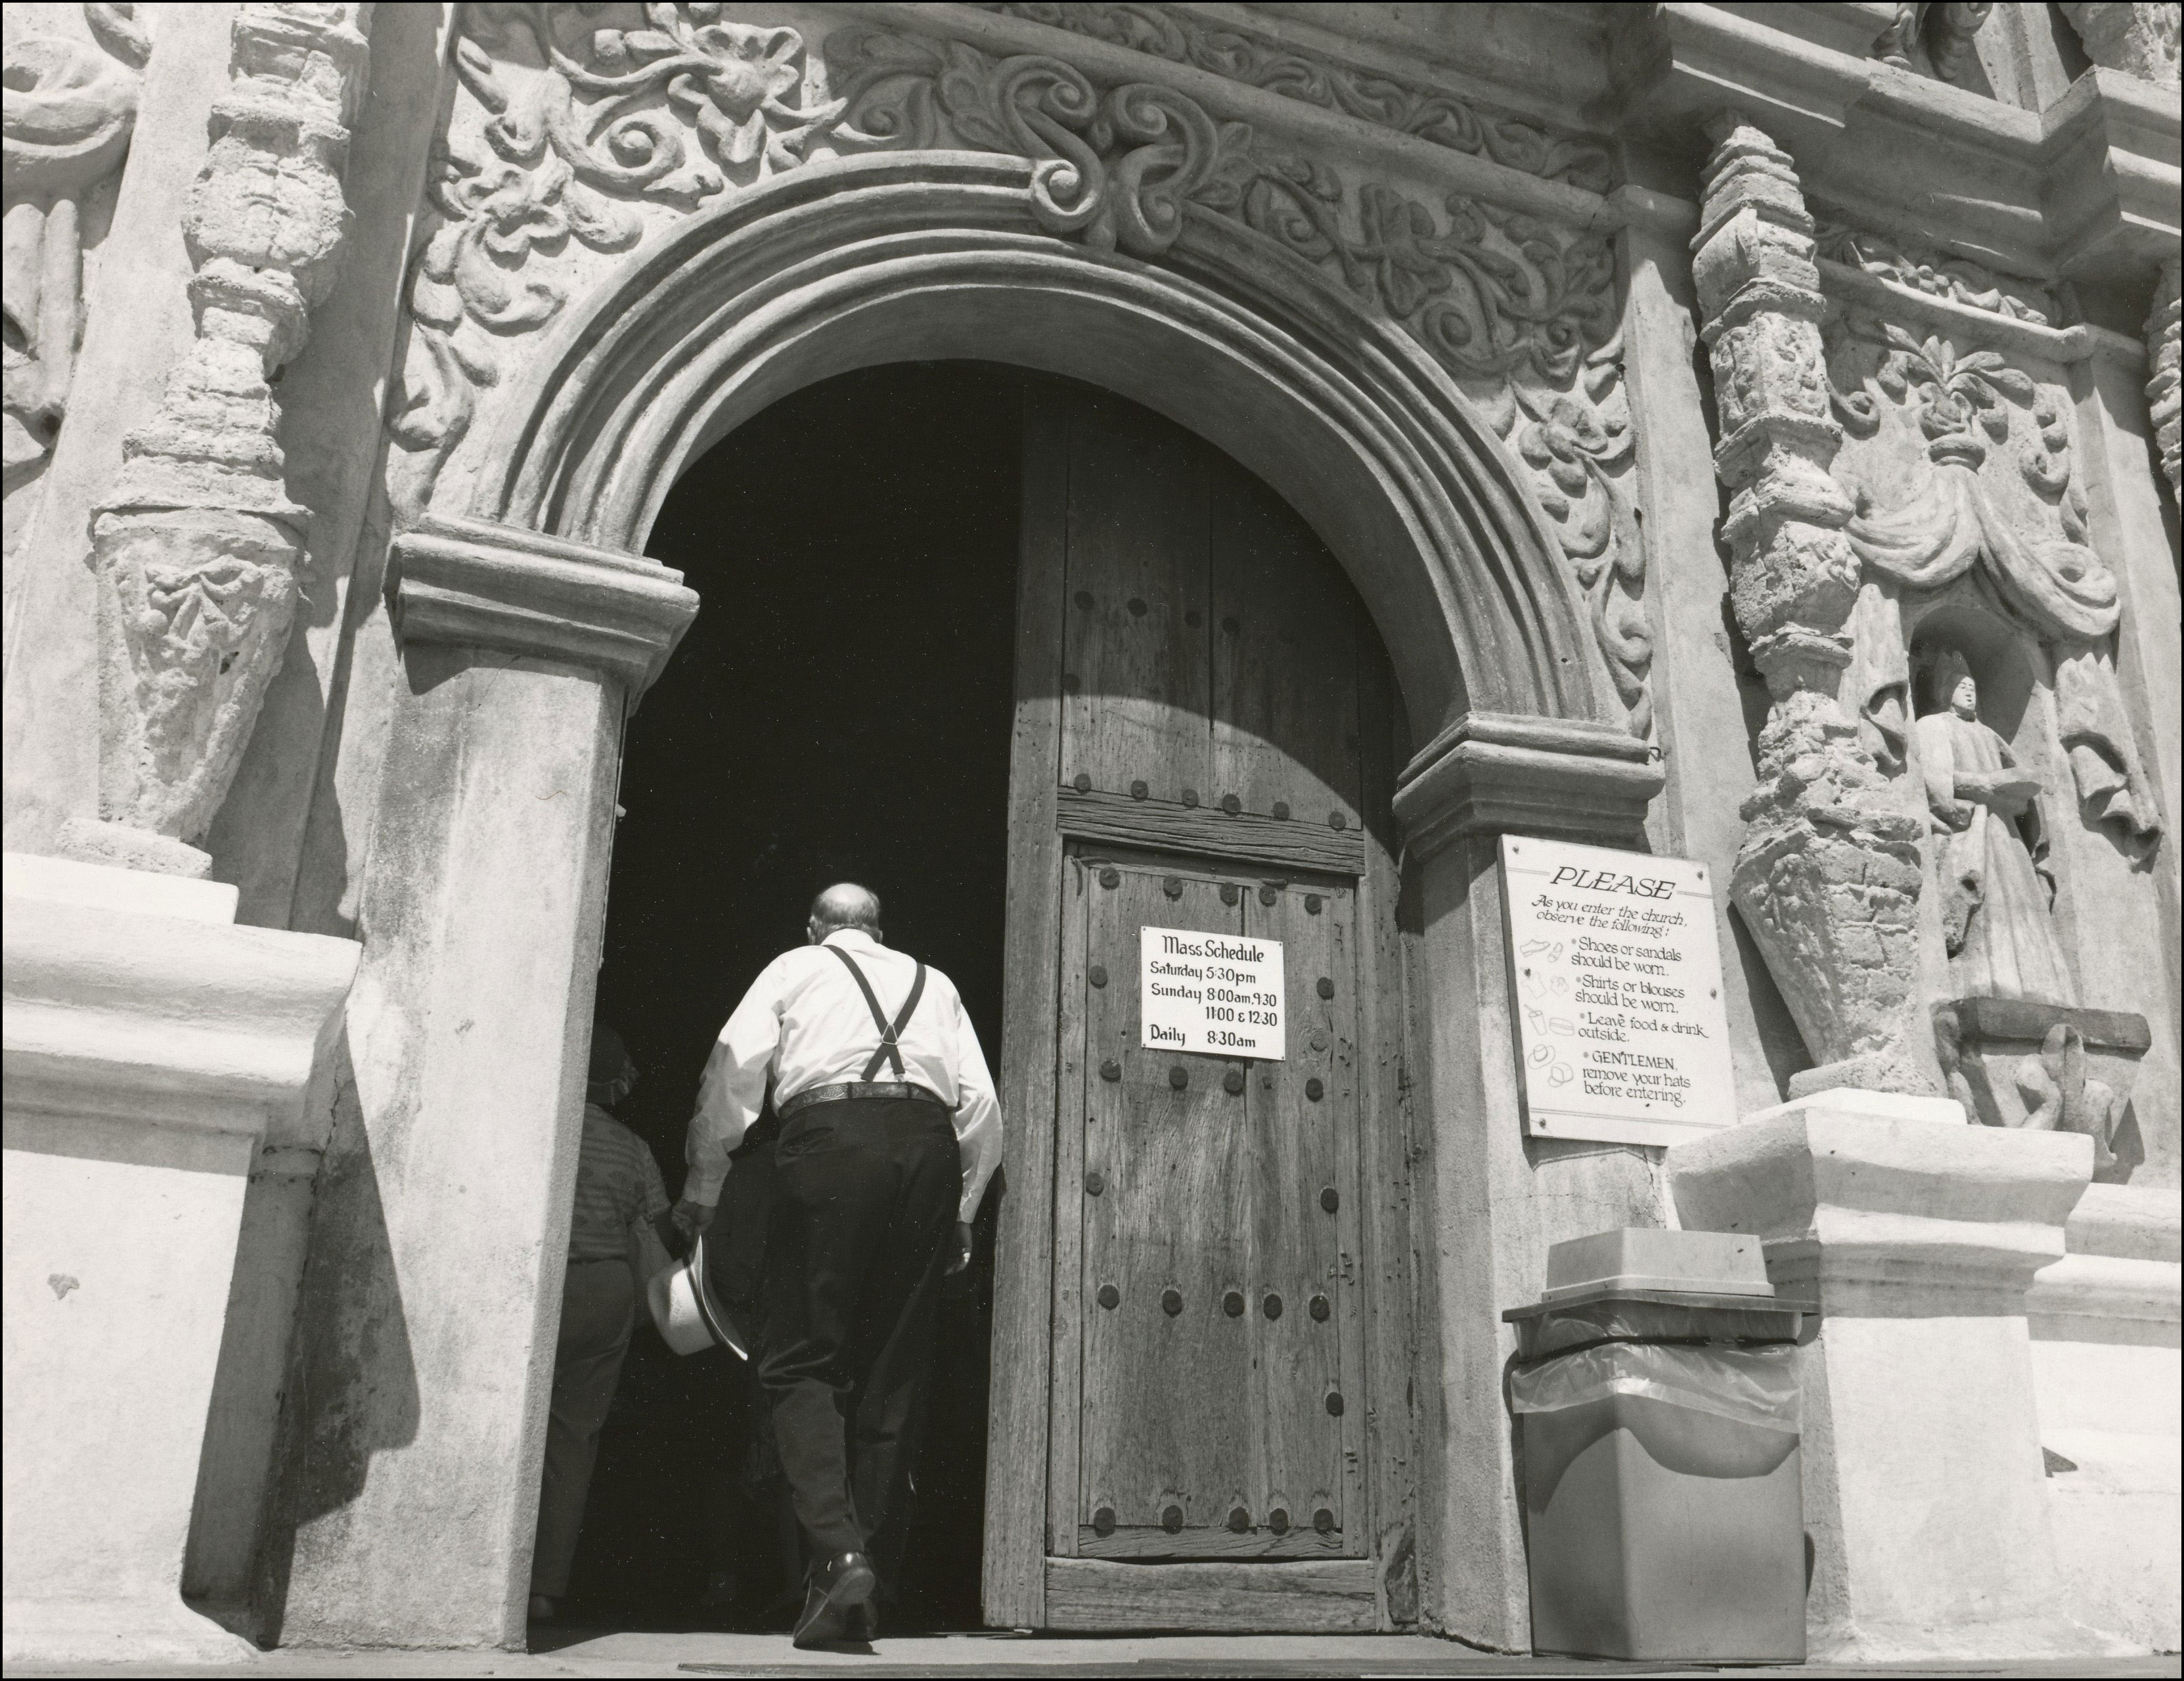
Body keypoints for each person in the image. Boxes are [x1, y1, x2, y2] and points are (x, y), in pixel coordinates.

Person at [676, 884, 1002, 1647]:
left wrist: (704, 1187)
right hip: (925, 1148)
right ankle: (863, 1591)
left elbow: (731, 1074)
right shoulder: (937, 982)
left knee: (795, 1358)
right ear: (880, 931)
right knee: (895, 1367)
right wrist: (960, 1207)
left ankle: (836, 1552)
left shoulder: (794, 967)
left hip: (831, 1139)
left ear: (817, 927)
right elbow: (982, 1107)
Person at [528, 1023, 677, 1624]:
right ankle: (543, 1587)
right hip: (607, 1289)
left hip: (543, 1285)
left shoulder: (541, 1125)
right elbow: (661, 1229)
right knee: (572, 1441)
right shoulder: (632, 1145)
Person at [1916, 650, 2074, 1004]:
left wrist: (2019, 790)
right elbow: (1935, 783)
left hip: (2007, 834)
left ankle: (2040, 989)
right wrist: (1986, 787)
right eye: (1960, 686)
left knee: (2021, 906)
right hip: (1975, 829)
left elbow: (2024, 786)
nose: (1969, 692)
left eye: (1972, 686)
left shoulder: (1989, 735)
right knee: (1982, 905)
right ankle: (1980, 986)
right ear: (1944, 691)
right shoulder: (1932, 727)